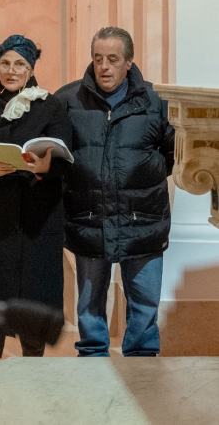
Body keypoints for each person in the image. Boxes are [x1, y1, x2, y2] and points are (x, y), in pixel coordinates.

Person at [56, 27, 174, 357]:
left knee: (144, 303)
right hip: (90, 218)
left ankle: (141, 364)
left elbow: (170, 155)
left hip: (143, 218)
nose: (104, 67)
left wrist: (141, 177)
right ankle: (92, 358)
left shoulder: (155, 101)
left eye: (112, 59)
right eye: (97, 59)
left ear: (128, 62)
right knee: (90, 303)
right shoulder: (68, 100)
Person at [0, 34, 72, 364]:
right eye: (5, 63)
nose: (11, 70)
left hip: (39, 217)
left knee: (34, 294)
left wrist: (46, 166)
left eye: (19, 64)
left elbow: (66, 155)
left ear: (31, 67)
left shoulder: (51, 105)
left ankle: (31, 365)